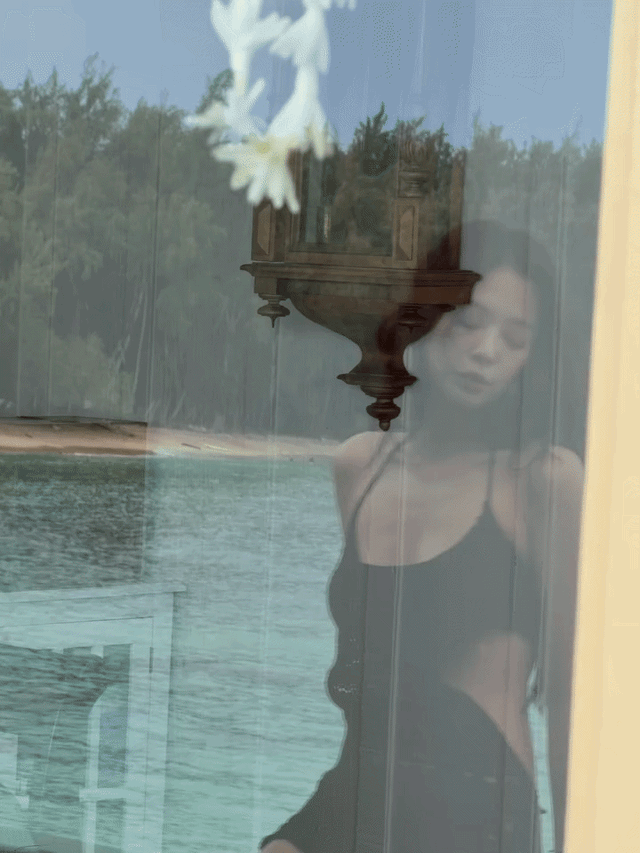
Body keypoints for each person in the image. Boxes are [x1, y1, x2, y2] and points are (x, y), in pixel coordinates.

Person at [261, 220, 584, 853]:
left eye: (515, 339)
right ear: (425, 321)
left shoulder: (542, 481)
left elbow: (572, 694)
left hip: (474, 806)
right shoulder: (362, 467)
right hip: (360, 787)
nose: (487, 351)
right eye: (469, 322)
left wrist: (578, 840)